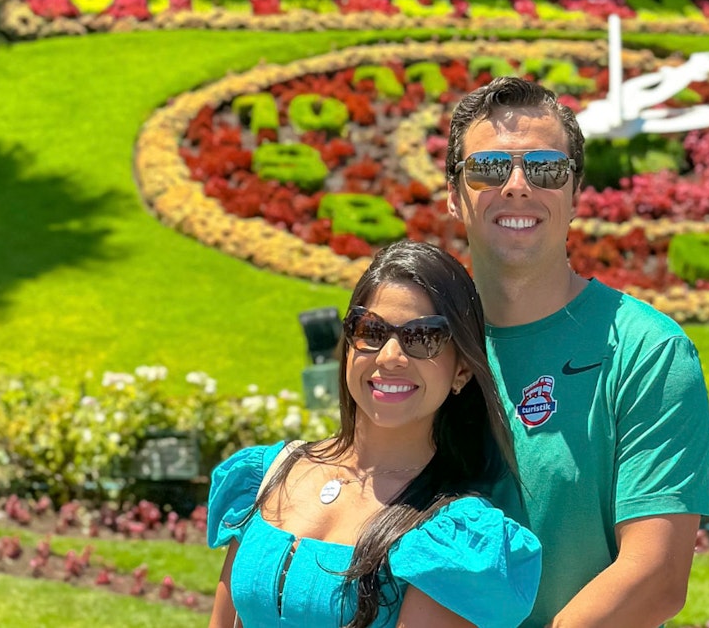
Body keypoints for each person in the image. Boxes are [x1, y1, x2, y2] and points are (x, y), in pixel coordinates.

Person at [445, 76, 709, 627]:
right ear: (454, 195)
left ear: (575, 195)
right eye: (488, 168)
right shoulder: (424, 344)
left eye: (546, 169)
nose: (517, 185)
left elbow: (657, 577)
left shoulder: (647, 351)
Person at [206, 240, 542, 628]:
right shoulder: (265, 475)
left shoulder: (453, 538)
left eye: (422, 337)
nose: (389, 356)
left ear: (461, 371)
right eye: (371, 330)